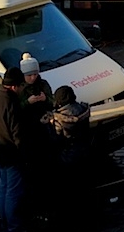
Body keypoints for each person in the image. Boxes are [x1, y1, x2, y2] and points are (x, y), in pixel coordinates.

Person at [0, 68, 32, 232]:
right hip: (12, 155)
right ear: (14, 87)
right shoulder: (11, 103)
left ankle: (6, 229)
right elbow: (17, 132)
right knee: (13, 194)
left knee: (4, 193)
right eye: (21, 86)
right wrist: (24, 154)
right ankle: (15, 231)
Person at [40, 86, 93, 221]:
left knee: (67, 184)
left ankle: (67, 213)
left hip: (67, 155)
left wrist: (48, 125)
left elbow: (56, 139)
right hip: (84, 151)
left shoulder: (59, 118)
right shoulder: (82, 110)